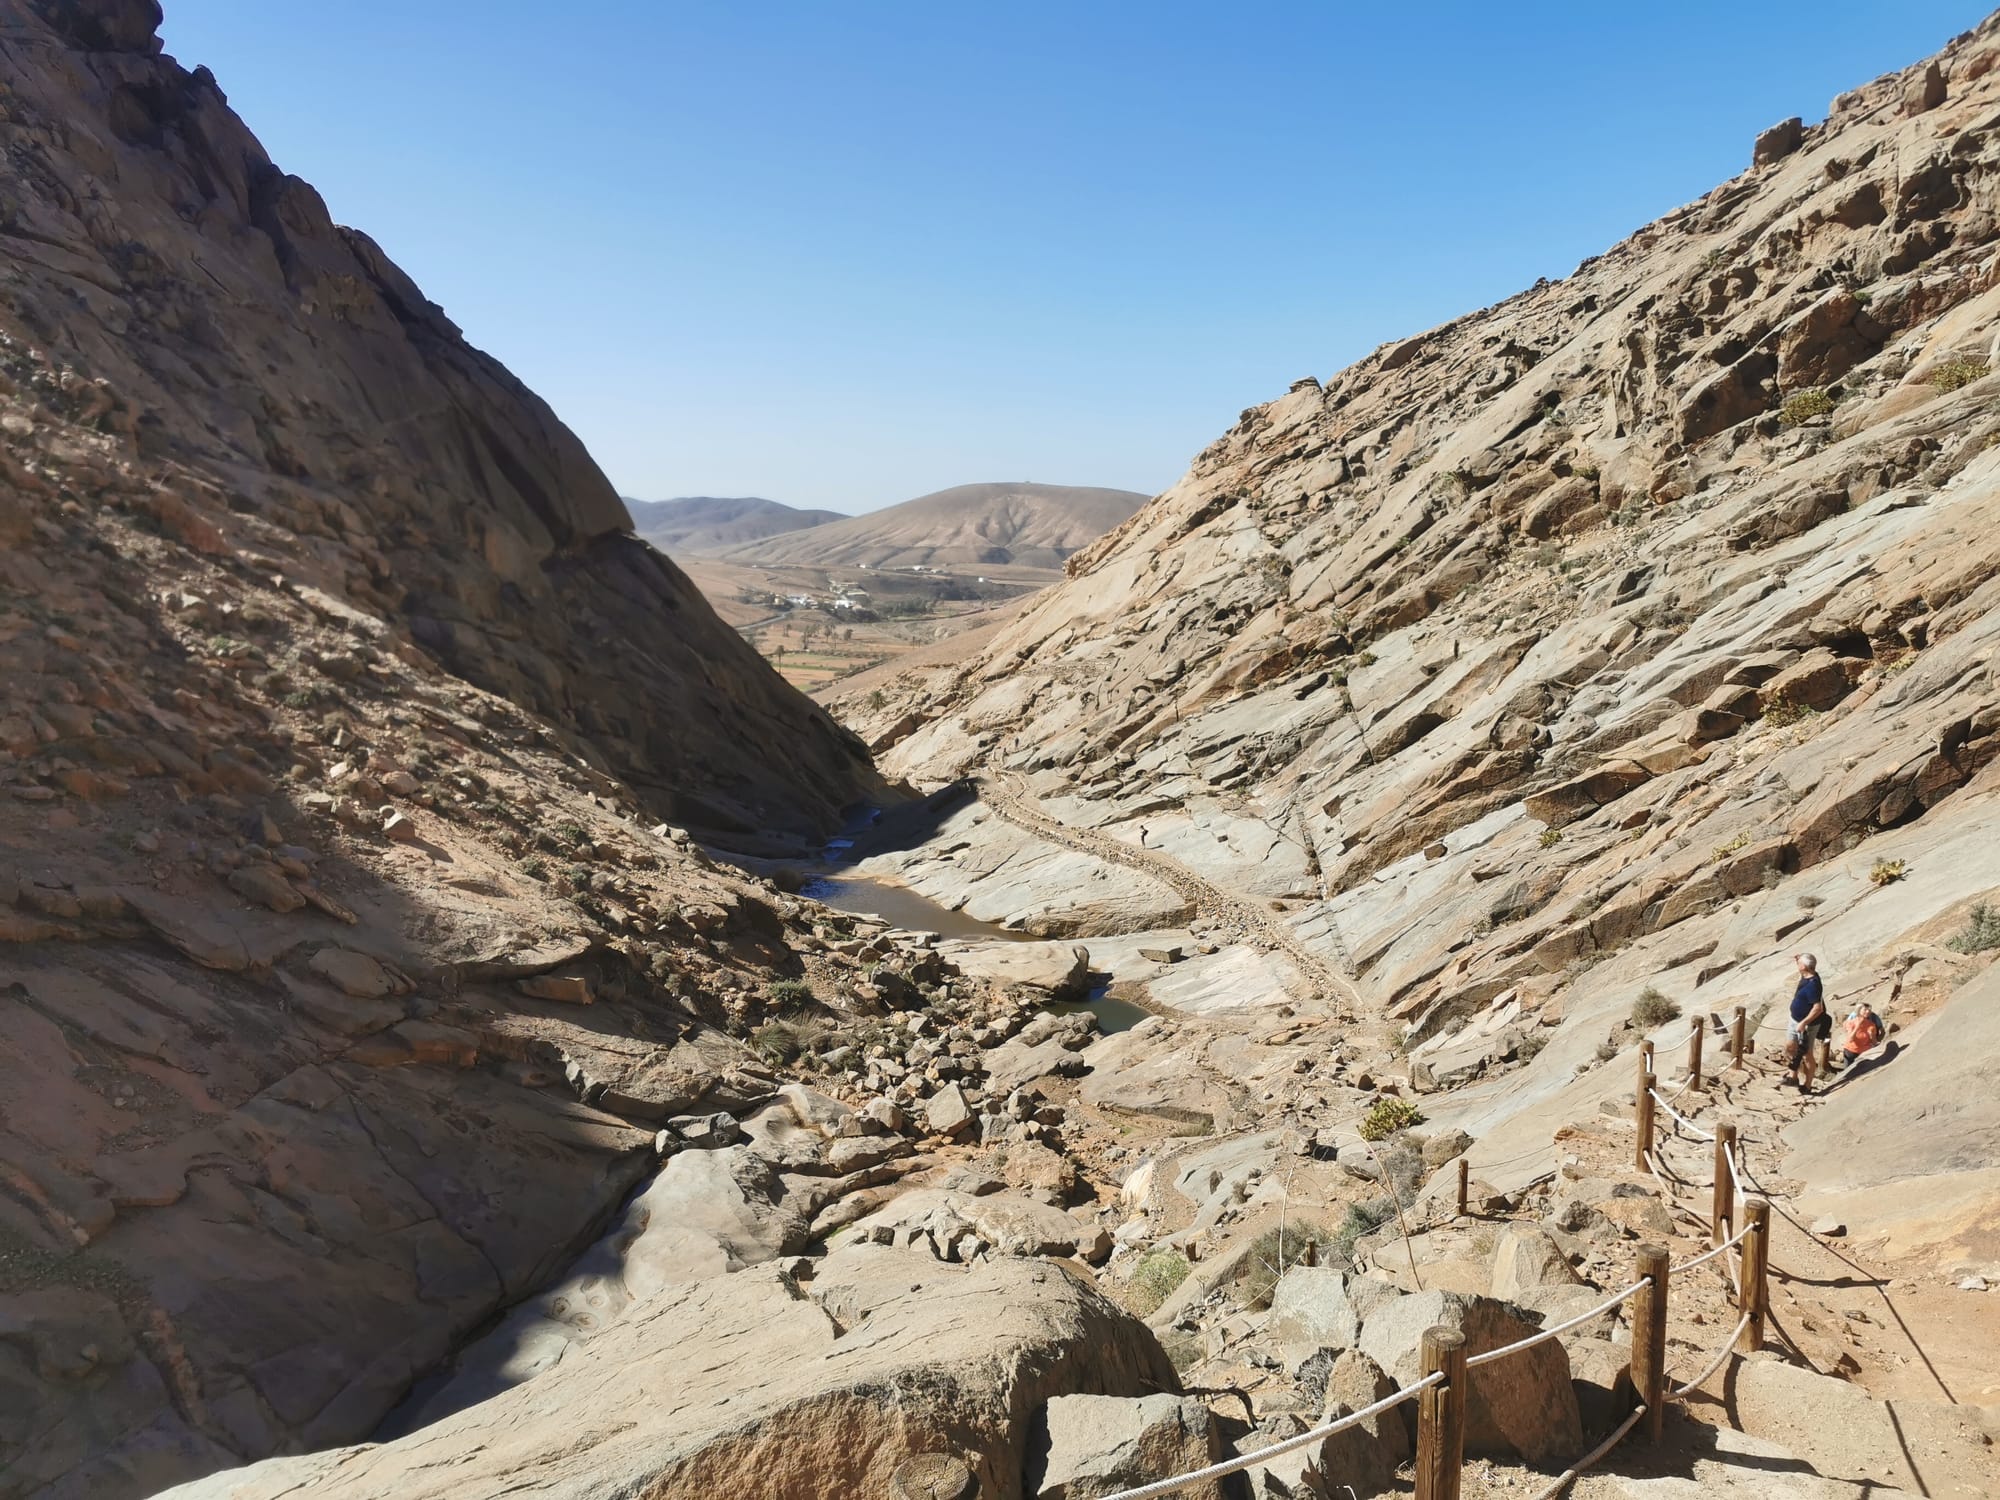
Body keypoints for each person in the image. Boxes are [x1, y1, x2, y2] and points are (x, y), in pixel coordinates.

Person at [1784, 953, 1831, 1093]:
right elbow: (1805, 966)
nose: (1797, 965)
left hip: (1807, 1025)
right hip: (1795, 1019)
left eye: (1799, 964)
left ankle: (1807, 1085)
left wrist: (1804, 1022)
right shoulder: (1808, 974)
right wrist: (1798, 959)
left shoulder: (1813, 986)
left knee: (1807, 1054)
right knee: (1789, 1047)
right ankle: (1793, 1076)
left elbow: (1818, 1008)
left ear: (1804, 967)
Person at [1832, 1000, 1884, 1070]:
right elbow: (1850, 1039)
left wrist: (1872, 1037)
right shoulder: (1851, 1022)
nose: (1868, 1012)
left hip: (1864, 1052)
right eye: (1865, 1010)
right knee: (1848, 1071)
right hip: (1850, 1051)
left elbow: (1874, 1042)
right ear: (1859, 1010)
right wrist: (1857, 1026)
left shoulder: (1871, 1025)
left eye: (1869, 1010)